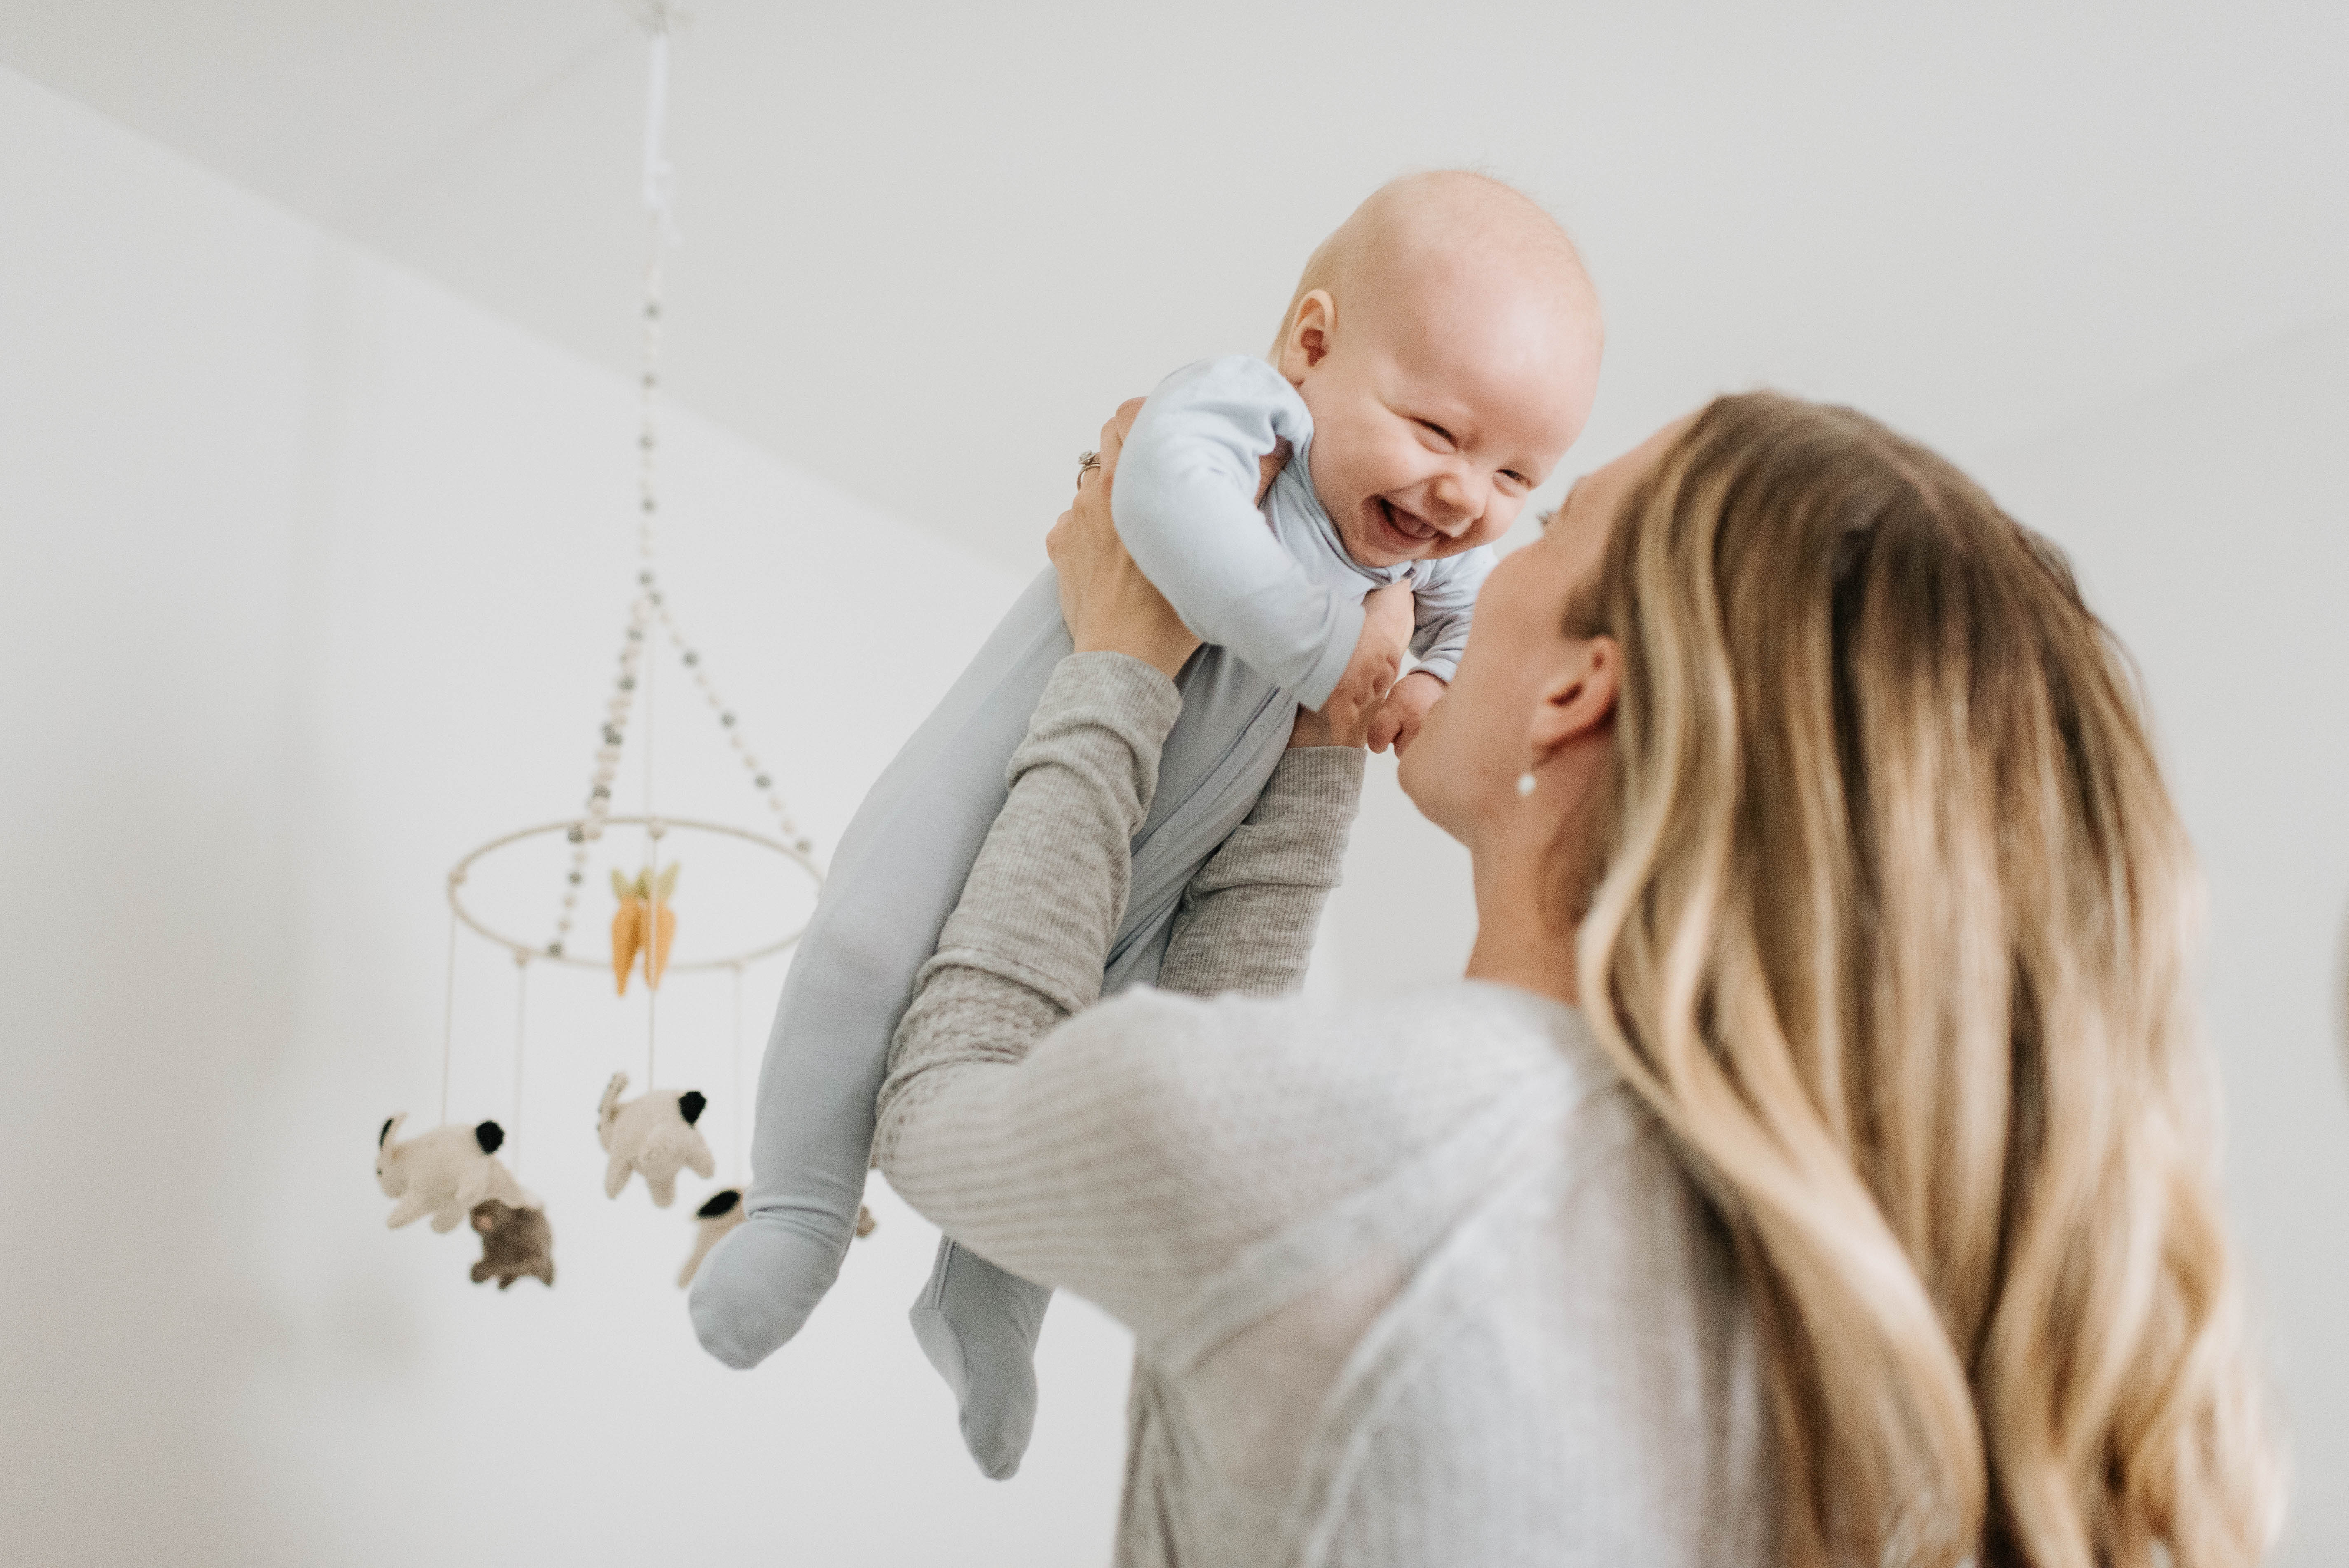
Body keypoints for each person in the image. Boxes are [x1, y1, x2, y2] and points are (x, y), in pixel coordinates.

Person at [872, 393, 2280, 1566]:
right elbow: (1259, 1155)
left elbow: (946, 1099)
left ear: (1574, 690)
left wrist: (1117, 666)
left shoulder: (1354, 1153)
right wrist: (1310, 745)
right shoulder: (1879, 1291)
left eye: (1543, 520)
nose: (1473, 538)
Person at [689, 171, 1605, 1479]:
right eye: (1437, 430)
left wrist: (1413, 684)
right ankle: (796, 1210)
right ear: (1312, 345)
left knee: (1082, 1067)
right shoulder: (1240, 416)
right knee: (858, 950)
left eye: (1517, 472)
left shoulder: (1420, 568)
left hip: (1156, 868)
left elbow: (1443, 632)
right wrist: (1322, 647)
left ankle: (988, 1304)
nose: (1465, 494)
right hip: (1002, 776)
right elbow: (1158, 501)